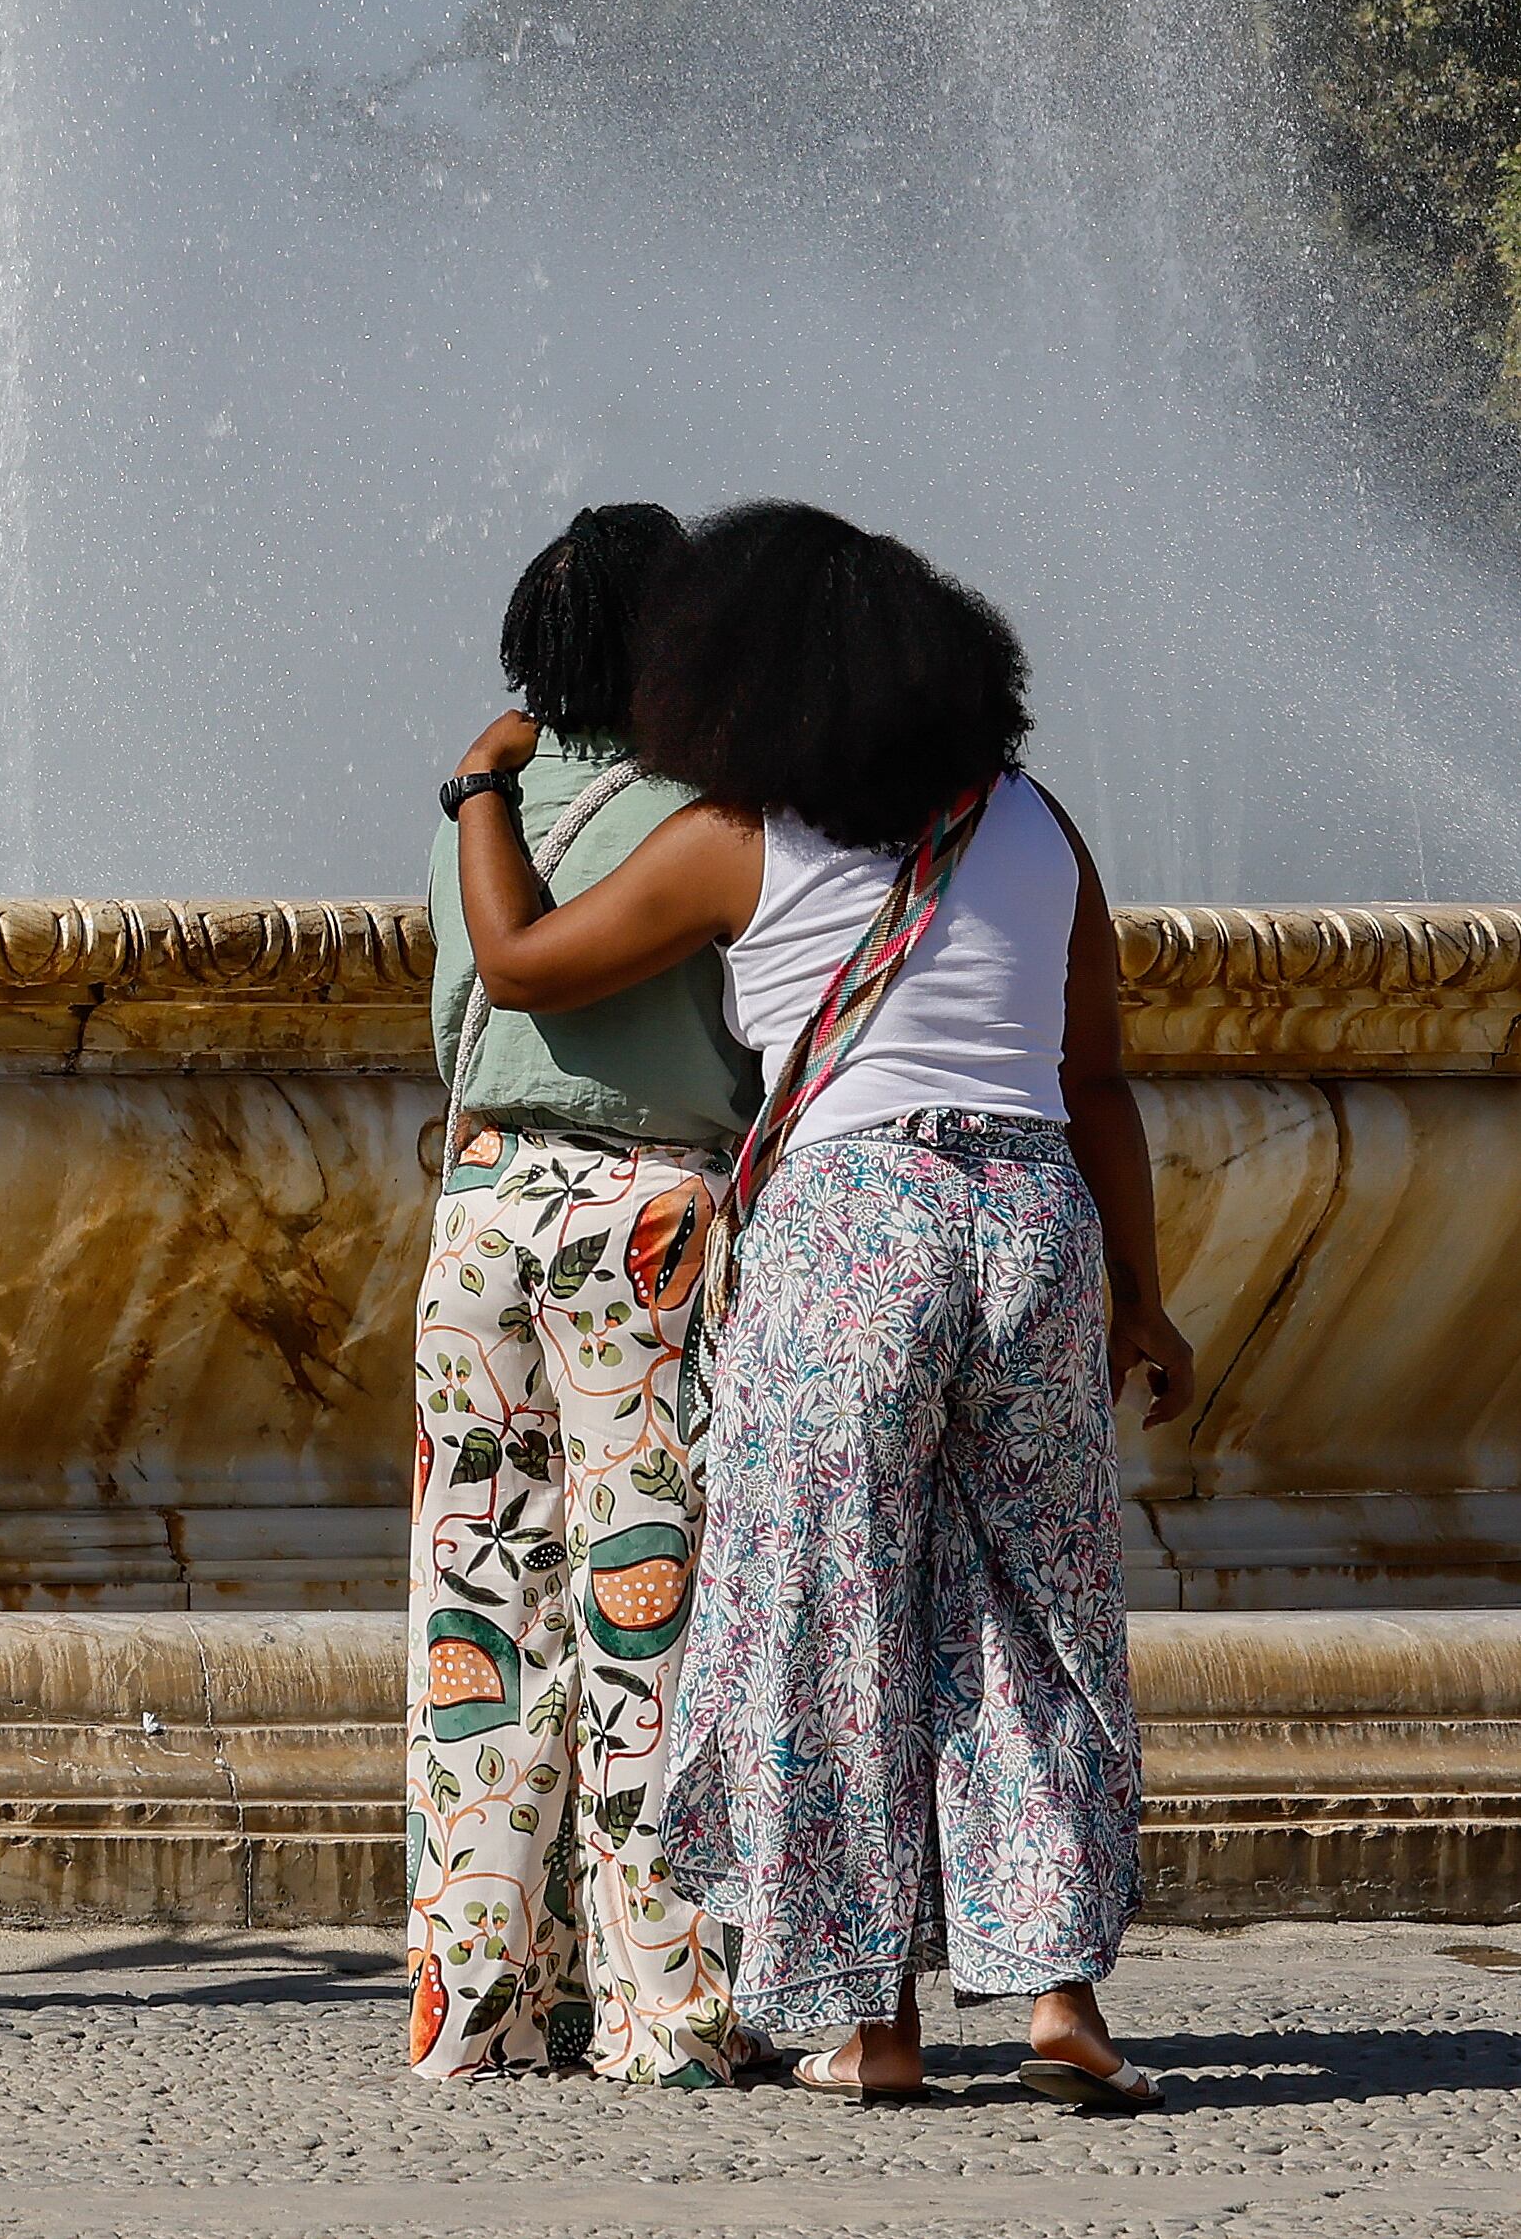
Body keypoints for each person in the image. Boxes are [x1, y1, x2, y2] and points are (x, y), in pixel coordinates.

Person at [442, 499, 1196, 2109]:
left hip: (855, 1223)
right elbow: (1099, 1080)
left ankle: (869, 2026)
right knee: (1038, 1615)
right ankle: (1063, 2001)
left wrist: (478, 785)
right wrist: (1145, 1301)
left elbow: (518, 964)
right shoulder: (1033, 822)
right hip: (1035, 1220)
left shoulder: (738, 836)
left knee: (826, 1622)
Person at [406, 503, 764, 2086]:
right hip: (648, 1222)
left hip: (481, 1214)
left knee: (477, 1608)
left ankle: (478, 2006)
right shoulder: (718, 817)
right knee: (651, 1603)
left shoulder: (470, 817)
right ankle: (668, 2008)